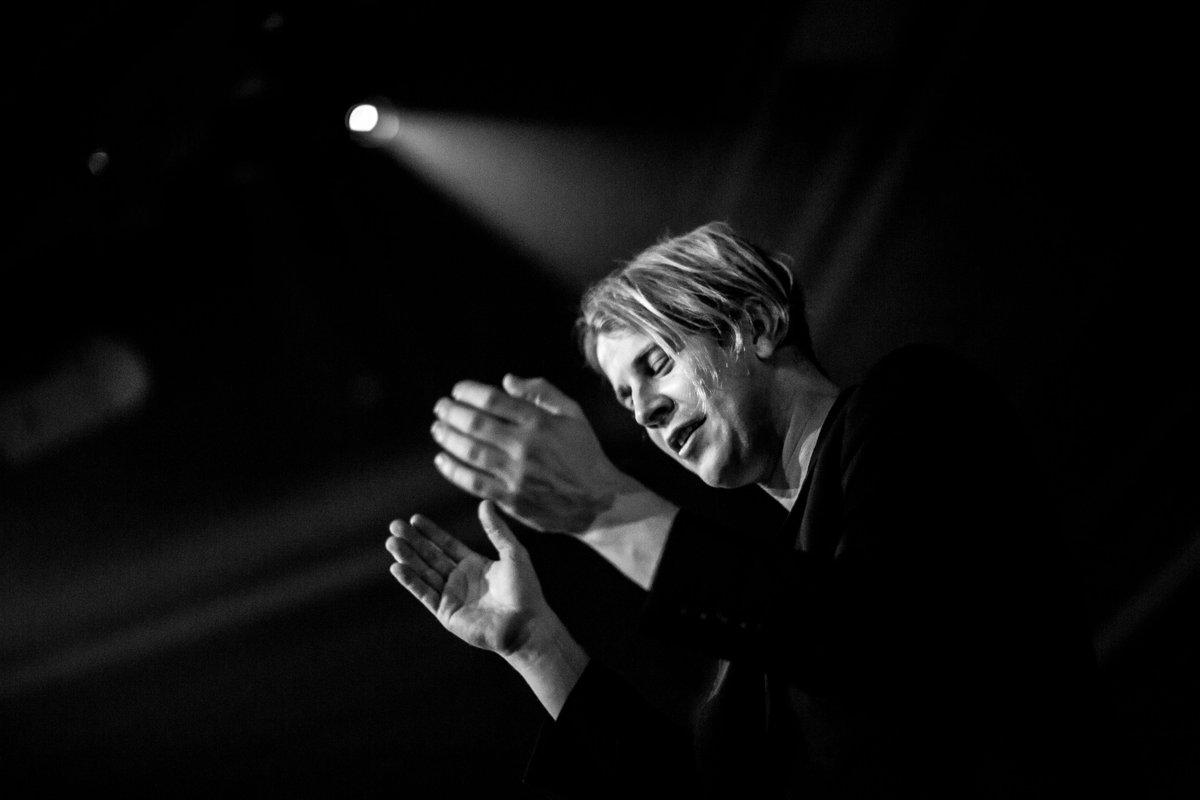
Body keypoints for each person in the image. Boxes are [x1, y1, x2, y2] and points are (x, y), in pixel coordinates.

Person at [385, 222, 1114, 797]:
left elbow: (883, 643)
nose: (649, 413)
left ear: (757, 323)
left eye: (658, 363)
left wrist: (604, 510)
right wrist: (535, 645)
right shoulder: (767, 605)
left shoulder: (913, 402)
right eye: (628, 401)